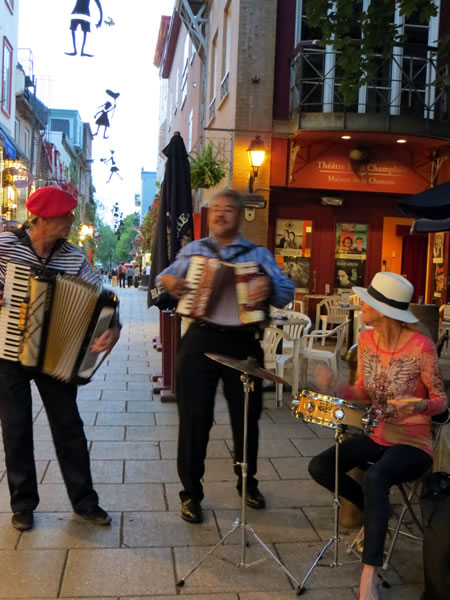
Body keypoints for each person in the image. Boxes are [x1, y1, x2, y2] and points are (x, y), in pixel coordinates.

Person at [159, 189, 295, 524]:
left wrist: (268, 289)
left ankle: (247, 481)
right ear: (210, 214)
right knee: (194, 420)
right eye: (216, 208)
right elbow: (167, 276)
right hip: (200, 338)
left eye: (229, 209)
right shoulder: (194, 251)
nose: (221, 214)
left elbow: (287, 293)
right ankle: (191, 493)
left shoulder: (258, 256)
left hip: (243, 340)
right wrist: (170, 281)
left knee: (247, 417)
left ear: (240, 214)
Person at [309, 272, 447, 600]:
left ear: (384, 310)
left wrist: (419, 403)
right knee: (321, 466)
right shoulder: (367, 340)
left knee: (377, 476)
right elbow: (363, 392)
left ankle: (369, 571)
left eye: (367, 300)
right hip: (380, 435)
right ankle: (375, 513)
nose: (361, 304)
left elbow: (442, 402)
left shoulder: (421, 346)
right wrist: (336, 387)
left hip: (413, 444)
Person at [0, 186, 121, 532]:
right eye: (66, 215)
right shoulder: (5, 246)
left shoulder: (73, 257)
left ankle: (84, 502)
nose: (72, 220)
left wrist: (112, 327)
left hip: (54, 355)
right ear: (44, 218)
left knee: (69, 426)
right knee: (16, 427)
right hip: (8, 350)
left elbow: (102, 297)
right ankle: (22, 505)